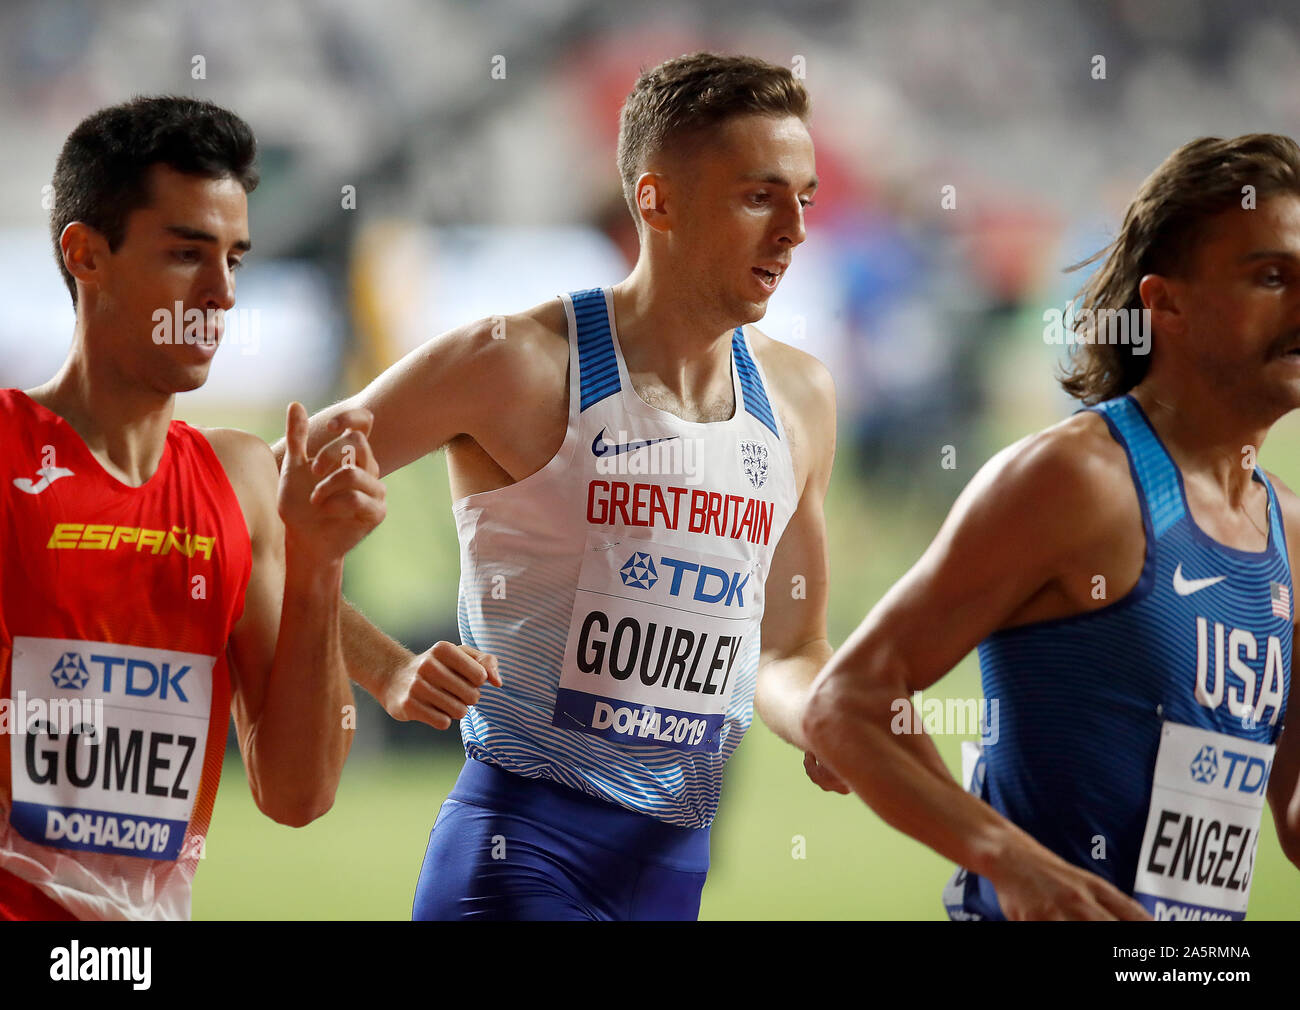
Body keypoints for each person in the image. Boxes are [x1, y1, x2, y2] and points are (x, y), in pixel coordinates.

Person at [289, 51, 839, 920]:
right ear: (655, 200)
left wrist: (825, 717)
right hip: (520, 856)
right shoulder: (513, 362)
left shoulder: (801, 398)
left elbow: (791, 648)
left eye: (804, 197)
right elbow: (250, 502)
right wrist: (384, 668)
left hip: (672, 871)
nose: (796, 229)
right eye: (760, 195)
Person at [803, 134, 1300, 921]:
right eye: (1271, 277)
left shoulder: (1289, 532)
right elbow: (849, 703)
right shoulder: (1079, 480)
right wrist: (1017, 865)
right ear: (1163, 302)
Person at [0, 96, 386, 920]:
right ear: (86, 255)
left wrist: (318, 562)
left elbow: (299, 792)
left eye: (235, 260)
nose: (220, 295)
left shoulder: (242, 484)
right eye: (186, 254)